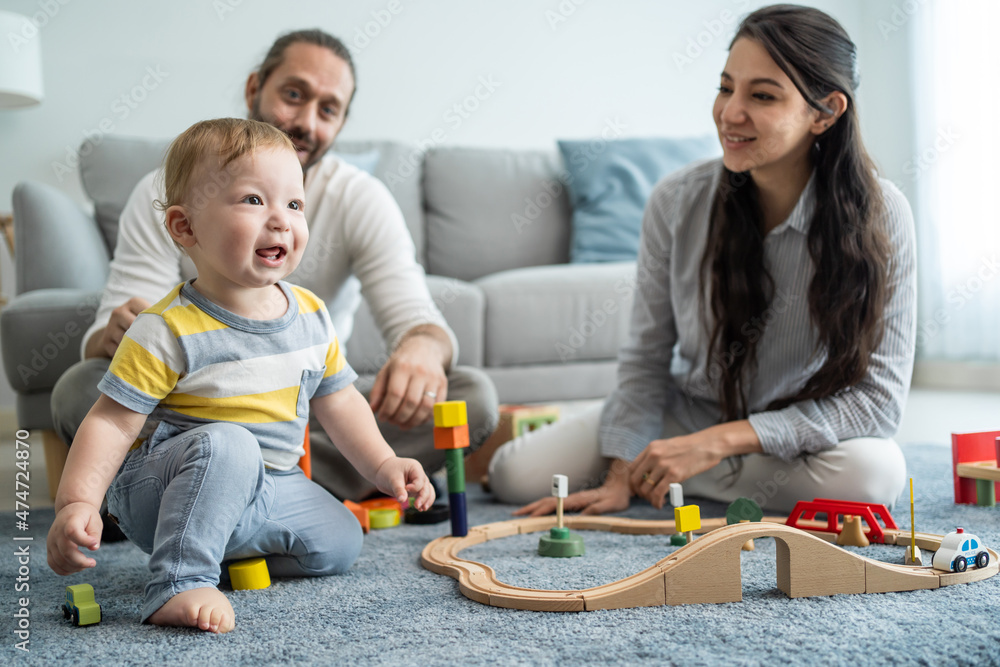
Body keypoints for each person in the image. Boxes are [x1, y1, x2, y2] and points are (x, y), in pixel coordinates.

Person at [494, 4, 916, 516]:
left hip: (797, 435)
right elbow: (647, 356)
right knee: (514, 475)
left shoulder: (883, 214)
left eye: (762, 95)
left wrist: (721, 442)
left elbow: (877, 404)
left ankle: (679, 473)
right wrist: (622, 472)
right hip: (687, 413)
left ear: (825, 112)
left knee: (874, 477)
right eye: (725, 87)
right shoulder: (677, 199)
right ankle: (664, 465)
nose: (730, 113)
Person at [50, 29, 498, 503]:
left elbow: (417, 316)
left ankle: (202, 494)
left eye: (328, 110)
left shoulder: (359, 196)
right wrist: (117, 331)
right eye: (293, 95)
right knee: (81, 390)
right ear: (253, 89)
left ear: (341, 123)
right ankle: (267, 486)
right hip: (191, 415)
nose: (305, 121)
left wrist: (424, 348)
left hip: (310, 409)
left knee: (471, 399)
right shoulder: (168, 192)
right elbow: (107, 335)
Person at [46, 118, 436, 634]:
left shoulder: (311, 316)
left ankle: (220, 551)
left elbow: (340, 403)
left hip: (271, 483)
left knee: (341, 541)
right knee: (230, 445)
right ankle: (179, 581)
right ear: (186, 228)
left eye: (294, 205)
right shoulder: (166, 328)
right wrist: (77, 503)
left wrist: (385, 464)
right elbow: (112, 424)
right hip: (163, 486)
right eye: (253, 201)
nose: (280, 221)